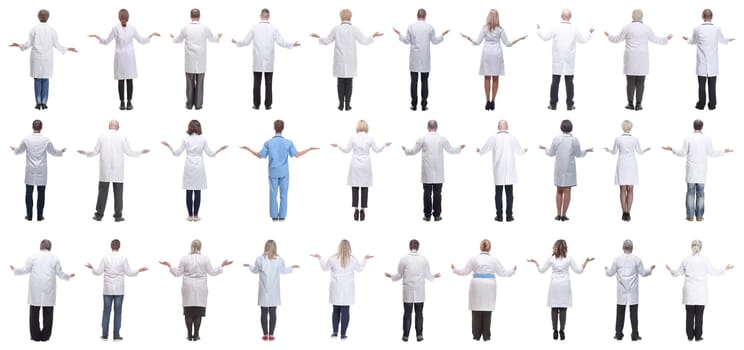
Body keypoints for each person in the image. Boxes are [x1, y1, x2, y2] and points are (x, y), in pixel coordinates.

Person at [241, 120, 318, 221]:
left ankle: (274, 217)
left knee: (273, 195)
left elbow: (260, 156)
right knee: (284, 195)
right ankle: (282, 217)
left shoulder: (268, 143)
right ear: (283, 128)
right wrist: (309, 149)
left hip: (273, 172)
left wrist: (248, 149)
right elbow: (297, 155)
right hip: (284, 172)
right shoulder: (288, 142)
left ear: (274, 128)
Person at [159, 239, 233, 341]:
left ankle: (189, 335)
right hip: (201, 287)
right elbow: (212, 272)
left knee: (188, 311)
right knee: (198, 311)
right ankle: (196, 335)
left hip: (187, 287)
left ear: (191, 246)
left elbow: (177, 273)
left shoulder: (184, 258)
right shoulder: (205, 259)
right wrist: (222, 265)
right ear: (200, 247)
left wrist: (170, 266)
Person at [310, 9, 383, 111]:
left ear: (341, 17)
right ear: (350, 17)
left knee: (340, 83)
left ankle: (340, 105)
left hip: (339, 60)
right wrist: (373, 36)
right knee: (349, 83)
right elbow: (364, 41)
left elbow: (326, 41)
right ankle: (348, 105)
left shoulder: (336, 29)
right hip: (350, 61)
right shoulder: (354, 29)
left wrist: (318, 37)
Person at [78, 120, 150, 222]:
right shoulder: (122, 136)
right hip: (118, 170)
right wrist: (140, 152)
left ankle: (99, 215)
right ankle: (118, 216)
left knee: (102, 193)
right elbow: (129, 152)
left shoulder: (102, 136)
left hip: (105, 169)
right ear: (118, 127)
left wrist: (86, 153)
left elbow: (95, 151)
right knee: (118, 193)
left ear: (109, 126)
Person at [88, 9, 160, 110]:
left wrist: (151, 36)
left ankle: (127, 102)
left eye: (124, 19)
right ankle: (123, 102)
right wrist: (97, 37)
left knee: (126, 80)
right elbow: (107, 41)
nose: (123, 21)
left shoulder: (126, 29)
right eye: (123, 19)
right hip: (124, 57)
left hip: (124, 57)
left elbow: (141, 40)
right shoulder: (117, 29)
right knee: (123, 80)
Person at [662, 119, 733, 221]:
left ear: (693, 126)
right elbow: (711, 153)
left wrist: (672, 149)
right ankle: (699, 217)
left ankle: (690, 216)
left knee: (690, 193)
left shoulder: (688, 137)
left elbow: (682, 153)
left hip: (691, 170)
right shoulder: (706, 138)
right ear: (702, 126)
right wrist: (723, 151)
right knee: (701, 193)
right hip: (701, 171)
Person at [666, 239, 734, 342]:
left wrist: (671, 271)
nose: (695, 247)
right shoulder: (704, 259)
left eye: (695, 245)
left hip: (689, 293)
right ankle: (698, 336)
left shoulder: (686, 259)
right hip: (700, 293)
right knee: (699, 316)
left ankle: (690, 336)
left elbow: (678, 273)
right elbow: (714, 272)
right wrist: (724, 269)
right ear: (700, 247)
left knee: (689, 315)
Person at [9, 9, 78, 110]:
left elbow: (28, 43)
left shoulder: (34, 29)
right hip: (47, 58)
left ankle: (38, 103)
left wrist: (19, 45)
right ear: (48, 17)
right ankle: (44, 102)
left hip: (36, 58)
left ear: (38, 16)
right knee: (45, 80)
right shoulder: (52, 30)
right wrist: (67, 49)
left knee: (37, 80)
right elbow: (57, 44)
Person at [232, 8, 299, 110]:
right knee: (269, 84)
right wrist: (291, 45)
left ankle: (256, 104)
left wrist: (237, 42)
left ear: (261, 16)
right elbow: (281, 42)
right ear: (268, 16)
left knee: (256, 84)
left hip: (257, 61)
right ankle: (268, 105)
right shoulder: (273, 28)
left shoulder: (254, 28)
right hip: (269, 61)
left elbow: (246, 41)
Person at [161, 120, 228, 222]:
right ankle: (196, 216)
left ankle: (189, 216)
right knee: (197, 191)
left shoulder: (185, 139)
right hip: (199, 167)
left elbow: (177, 153)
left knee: (189, 191)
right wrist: (219, 150)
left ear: (189, 127)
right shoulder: (203, 139)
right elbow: (210, 153)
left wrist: (168, 146)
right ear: (199, 127)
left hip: (188, 166)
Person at [527, 239, 594, 341]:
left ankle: (555, 331)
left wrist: (536, 262)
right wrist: (586, 262)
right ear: (565, 248)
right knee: (563, 309)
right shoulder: (569, 259)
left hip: (554, 285)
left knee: (554, 308)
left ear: (555, 247)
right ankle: (562, 331)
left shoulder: (551, 258)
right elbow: (579, 271)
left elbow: (541, 270)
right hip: (564, 285)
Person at [605, 9, 672, 111]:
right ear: (642, 17)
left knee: (630, 82)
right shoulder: (646, 28)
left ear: (632, 17)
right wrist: (666, 39)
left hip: (630, 58)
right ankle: (639, 104)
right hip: (642, 58)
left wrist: (608, 36)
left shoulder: (627, 28)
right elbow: (655, 39)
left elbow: (617, 39)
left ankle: (630, 104)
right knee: (641, 82)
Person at [460, 9, 526, 111]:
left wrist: (468, 38)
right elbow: (507, 44)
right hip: (496, 54)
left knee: (487, 78)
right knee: (495, 78)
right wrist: (519, 39)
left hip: (487, 54)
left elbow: (477, 42)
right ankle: (493, 101)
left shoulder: (484, 28)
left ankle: (487, 101)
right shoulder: (500, 29)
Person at [10, 239, 74, 342]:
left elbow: (25, 269)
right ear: (50, 247)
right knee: (48, 313)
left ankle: (35, 336)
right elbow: (60, 273)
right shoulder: (54, 258)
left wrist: (15, 270)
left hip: (35, 288)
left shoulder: (33, 257)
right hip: (48, 288)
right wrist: (68, 276)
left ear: (40, 246)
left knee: (34, 313)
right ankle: (45, 336)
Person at [452, 239, 515, 342]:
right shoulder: (494, 260)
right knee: (487, 310)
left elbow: (464, 272)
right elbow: (503, 273)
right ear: (490, 248)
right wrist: (513, 270)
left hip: (477, 285)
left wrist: (455, 269)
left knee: (476, 310)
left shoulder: (473, 259)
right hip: (490, 285)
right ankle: (486, 336)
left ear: (480, 247)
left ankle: (476, 335)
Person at [85, 239, 148, 341]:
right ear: (119, 247)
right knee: (118, 312)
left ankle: (104, 335)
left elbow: (98, 272)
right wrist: (139, 270)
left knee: (106, 312)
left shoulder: (105, 258)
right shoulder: (123, 258)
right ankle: (116, 335)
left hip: (107, 289)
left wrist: (92, 268)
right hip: (119, 289)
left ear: (111, 246)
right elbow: (129, 273)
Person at [403, 120, 464, 222]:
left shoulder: (422, 139)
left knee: (426, 193)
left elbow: (413, 151)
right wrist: (459, 148)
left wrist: (405, 149)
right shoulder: (442, 139)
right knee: (437, 194)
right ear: (437, 127)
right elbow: (451, 150)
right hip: (438, 172)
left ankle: (427, 215)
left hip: (427, 172)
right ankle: (437, 215)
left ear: (428, 127)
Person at [311, 239, 373, 340]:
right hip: (347, 289)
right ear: (349, 248)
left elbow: (325, 268)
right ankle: (343, 335)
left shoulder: (333, 258)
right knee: (345, 311)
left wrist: (320, 258)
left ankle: (335, 333)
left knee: (335, 310)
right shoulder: (353, 259)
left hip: (336, 288)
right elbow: (359, 269)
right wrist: (364, 259)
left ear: (339, 247)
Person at [331, 120, 391, 221]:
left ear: (357, 127)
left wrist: (337, 146)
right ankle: (362, 211)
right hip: (365, 165)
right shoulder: (370, 138)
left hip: (355, 164)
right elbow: (376, 150)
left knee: (354, 187)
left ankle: (355, 210)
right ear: (367, 127)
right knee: (364, 187)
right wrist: (384, 145)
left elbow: (346, 150)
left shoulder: (353, 137)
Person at [384, 239, 441, 342]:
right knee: (419, 314)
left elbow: (399, 275)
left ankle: (405, 336)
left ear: (409, 246)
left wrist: (391, 276)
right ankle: (419, 335)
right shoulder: (424, 259)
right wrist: (434, 276)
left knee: (407, 314)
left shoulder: (404, 259)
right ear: (418, 247)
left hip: (408, 291)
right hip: (420, 291)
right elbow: (427, 275)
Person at [537, 9, 593, 110]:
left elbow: (545, 37)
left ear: (561, 16)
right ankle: (570, 105)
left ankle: (553, 105)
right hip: (569, 60)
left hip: (557, 60)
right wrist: (589, 33)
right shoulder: (574, 29)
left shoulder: (555, 27)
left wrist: (539, 29)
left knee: (555, 82)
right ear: (570, 16)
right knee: (569, 82)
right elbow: (583, 40)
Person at [393, 8, 449, 111]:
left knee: (413, 82)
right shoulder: (429, 27)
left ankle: (414, 105)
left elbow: (406, 41)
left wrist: (399, 34)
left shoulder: (411, 27)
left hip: (414, 58)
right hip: (425, 59)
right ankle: (424, 105)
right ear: (425, 16)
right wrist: (442, 35)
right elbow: (435, 41)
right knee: (424, 82)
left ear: (417, 15)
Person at [11, 119, 65, 221]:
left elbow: (19, 151)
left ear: (32, 127)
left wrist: (15, 150)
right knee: (41, 193)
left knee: (28, 193)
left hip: (30, 169)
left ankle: (29, 216)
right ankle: (40, 216)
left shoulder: (26, 139)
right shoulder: (46, 140)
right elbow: (53, 152)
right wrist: (60, 151)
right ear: (41, 127)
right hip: (41, 170)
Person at [244, 240, 299, 341]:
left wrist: (250, 267)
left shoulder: (259, 259)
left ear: (265, 246)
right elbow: (283, 271)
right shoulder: (279, 259)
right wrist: (291, 268)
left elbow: (256, 270)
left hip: (264, 290)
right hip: (274, 289)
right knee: (273, 312)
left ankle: (265, 334)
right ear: (275, 247)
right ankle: (272, 334)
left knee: (264, 312)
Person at [539, 119, 593, 221]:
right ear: (571, 128)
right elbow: (578, 154)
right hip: (569, 168)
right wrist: (586, 150)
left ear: (561, 127)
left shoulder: (556, 139)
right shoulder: (574, 140)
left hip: (559, 168)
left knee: (559, 190)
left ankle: (558, 214)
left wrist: (545, 148)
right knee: (567, 191)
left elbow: (551, 153)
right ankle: (564, 215)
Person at [683, 9, 734, 110]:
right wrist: (728, 40)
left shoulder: (697, 29)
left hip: (701, 63)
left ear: (702, 16)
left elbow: (693, 41)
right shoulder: (716, 29)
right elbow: (722, 40)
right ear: (712, 17)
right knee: (712, 85)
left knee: (701, 86)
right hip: (713, 63)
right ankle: (712, 105)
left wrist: (687, 40)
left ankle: (701, 104)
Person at [171, 8, 222, 110]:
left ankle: (189, 104)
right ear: (199, 16)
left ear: (190, 16)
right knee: (200, 84)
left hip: (189, 61)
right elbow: (213, 39)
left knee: (189, 84)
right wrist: (218, 37)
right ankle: (198, 105)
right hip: (201, 61)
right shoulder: (205, 28)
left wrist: (173, 38)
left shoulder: (185, 28)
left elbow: (178, 40)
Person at [476, 120, 527, 222]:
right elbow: (519, 151)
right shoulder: (512, 138)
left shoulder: (493, 138)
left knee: (498, 193)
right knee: (509, 193)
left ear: (498, 127)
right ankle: (509, 216)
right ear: (507, 127)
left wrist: (479, 151)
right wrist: (524, 151)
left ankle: (499, 216)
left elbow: (485, 149)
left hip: (498, 169)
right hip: (509, 170)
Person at [604, 239, 654, 341]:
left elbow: (610, 273)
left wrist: (606, 270)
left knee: (620, 314)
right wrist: (650, 269)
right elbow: (643, 273)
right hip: (633, 291)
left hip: (621, 291)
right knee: (634, 314)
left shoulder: (617, 259)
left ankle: (618, 334)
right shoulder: (637, 259)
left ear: (622, 248)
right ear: (632, 248)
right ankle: (635, 335)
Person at [604, 120, 650, 221]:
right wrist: (646, 150)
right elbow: (639, 152)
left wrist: (608, 150)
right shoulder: (635, 139)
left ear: (622, 127)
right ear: (631, 127)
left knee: (622, 189)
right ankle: (628, 212)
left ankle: (623, 212)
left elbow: (614, 152)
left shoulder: (618, 139)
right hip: (631, 164)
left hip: (622, 164)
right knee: (630, 189)